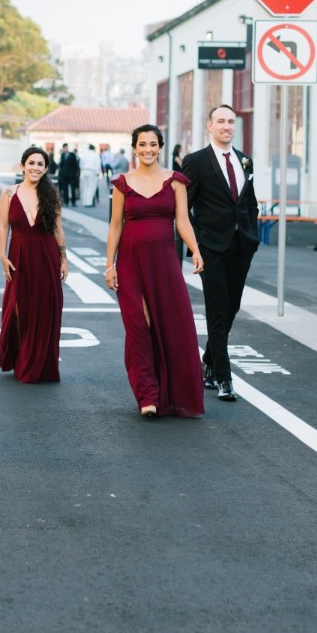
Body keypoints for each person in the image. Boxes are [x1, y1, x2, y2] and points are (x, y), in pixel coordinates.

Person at [105, 125, 205, 419]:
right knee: (138, 325)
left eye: (153, 144)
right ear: (134, 148)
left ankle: (174, 393)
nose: (148, 149)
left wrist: (195, 250)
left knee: (171, 324)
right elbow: (115, 226)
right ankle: (148, 394)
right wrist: (109, 264)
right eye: (142, 144)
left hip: (164, 264)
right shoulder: (122, 183)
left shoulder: (175, 182)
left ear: (160, 147)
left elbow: (183, 222)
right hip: (130, 262)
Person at [182, 104, 259, 402]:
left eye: (231, 121)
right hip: (211, 247)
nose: (227, 126)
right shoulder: (196, 161)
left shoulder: (245, 160)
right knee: (217, 310)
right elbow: (183, 207)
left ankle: (209, 361)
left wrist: (252, 231)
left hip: (242, 245)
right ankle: (223, 379)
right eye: (221, 121)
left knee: (232, 308)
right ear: (209, 126)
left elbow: (249, 201)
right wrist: (193, 245)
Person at [0, 147, 68, 383]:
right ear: (22, 166)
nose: (35, 167)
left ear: (46, 169)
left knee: (46, 309)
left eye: (40, 164)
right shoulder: (8, 193)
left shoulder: (52, 195)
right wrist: (2, 256)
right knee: (20, 309)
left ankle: (40, 364)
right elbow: (3, 226)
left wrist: (64, 259)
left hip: (46, 255)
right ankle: (20, 357)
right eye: (31, 163)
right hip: (18, 255)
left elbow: (58, 229)